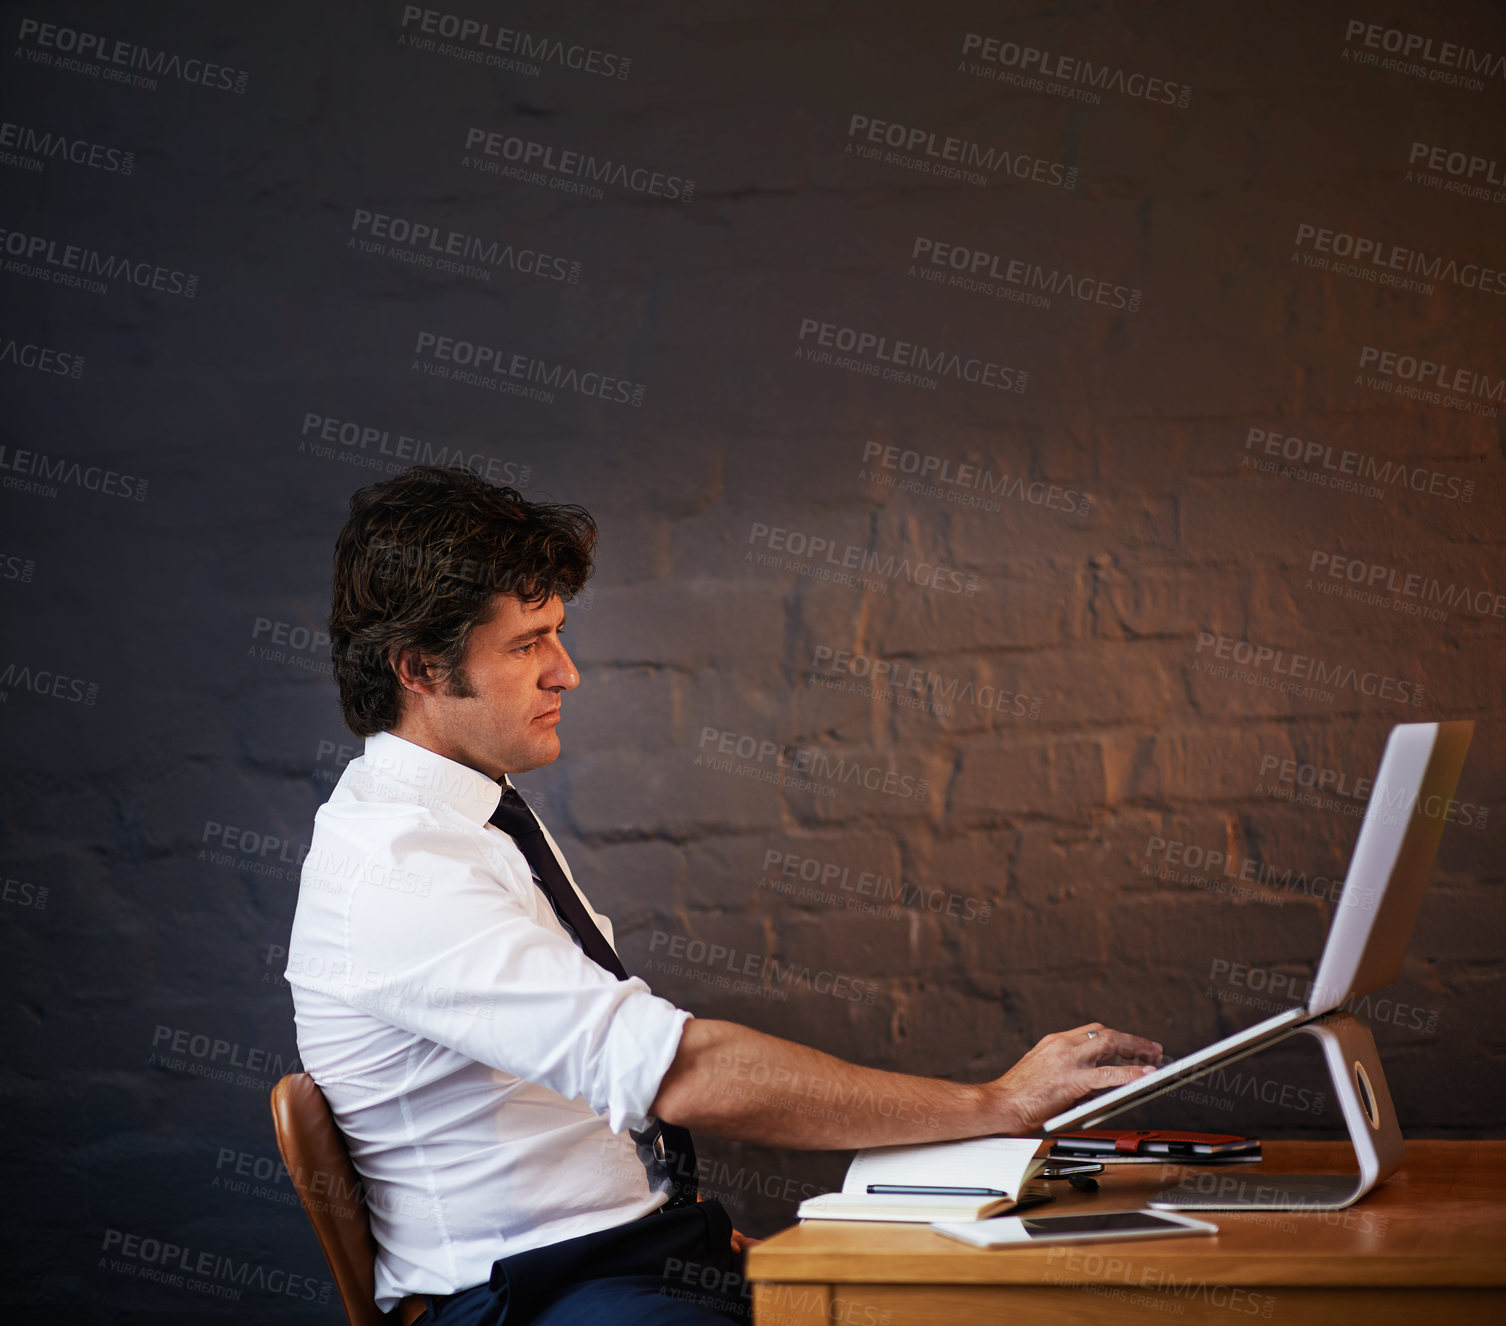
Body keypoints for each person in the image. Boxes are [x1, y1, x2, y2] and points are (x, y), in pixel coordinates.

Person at [285, 465, 1161, 1326]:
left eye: (557, 633)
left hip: (634, 1258)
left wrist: (686, 1238)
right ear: (420, 670)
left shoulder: (479, 811)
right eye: (526, 645)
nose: (566, 672)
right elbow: (682, 1073)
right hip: (529, 1297)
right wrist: (990, 1105)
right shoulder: (396, 866)